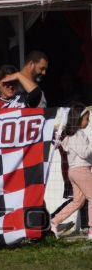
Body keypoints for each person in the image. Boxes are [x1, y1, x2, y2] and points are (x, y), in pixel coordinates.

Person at [50, 103, 92, 241]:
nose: (88, 121)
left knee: (78, 202)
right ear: (78, 119)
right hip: (81, 170)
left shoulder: (71, 135)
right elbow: (84, 153)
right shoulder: (78, 135)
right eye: (86, 119)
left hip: (74, 171)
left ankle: (54, 222)